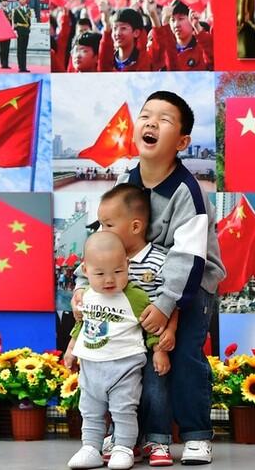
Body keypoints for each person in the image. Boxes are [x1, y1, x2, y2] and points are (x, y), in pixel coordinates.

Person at [76, 91, 225, 466]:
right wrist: (82, 284)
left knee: (184, 355)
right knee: (131, 358)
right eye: (145, 116)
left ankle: (196, 435)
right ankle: (132, 436)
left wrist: (166, 304)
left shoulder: (188, 191)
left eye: (164, 119)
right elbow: (104, 237)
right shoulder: (126, 180)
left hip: (188, 286)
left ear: (182, 142)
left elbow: (189, 257)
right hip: (137, 280)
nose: (151, 123)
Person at [65, 232, 154, 470]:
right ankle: (90, 448)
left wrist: (160, 351)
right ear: (85, 270)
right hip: (91, 366)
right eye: (100, 274)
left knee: (123, 410)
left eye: (117, 271)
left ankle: (123, 448)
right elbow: (81, 324)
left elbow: (152, 325)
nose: (109, 280)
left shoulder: (135, 296)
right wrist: (71, 347)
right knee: (90, 410)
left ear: (127, 264)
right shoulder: (86, 295)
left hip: (124, 366)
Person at [12, 0, 33, 72]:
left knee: (24, 50)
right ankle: (21, 67)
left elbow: (29, 21)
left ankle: (24, 67)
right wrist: (16, 31)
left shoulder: (28, 10)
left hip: (26, 31)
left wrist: (29, 28)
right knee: (20, 50)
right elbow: (15, 22)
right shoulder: (16, 10)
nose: (23, 0)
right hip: (20, 31)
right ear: (18, 1)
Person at [0, 0, 12, 69]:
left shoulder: (10, 11)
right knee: (2, 48)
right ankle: (3, 63)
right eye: (3, 0)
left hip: (8, 31)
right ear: (1, 2)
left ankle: (6, 63)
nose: (5, 2)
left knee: (7, 48)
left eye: (6, 0)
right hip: (2, 31)